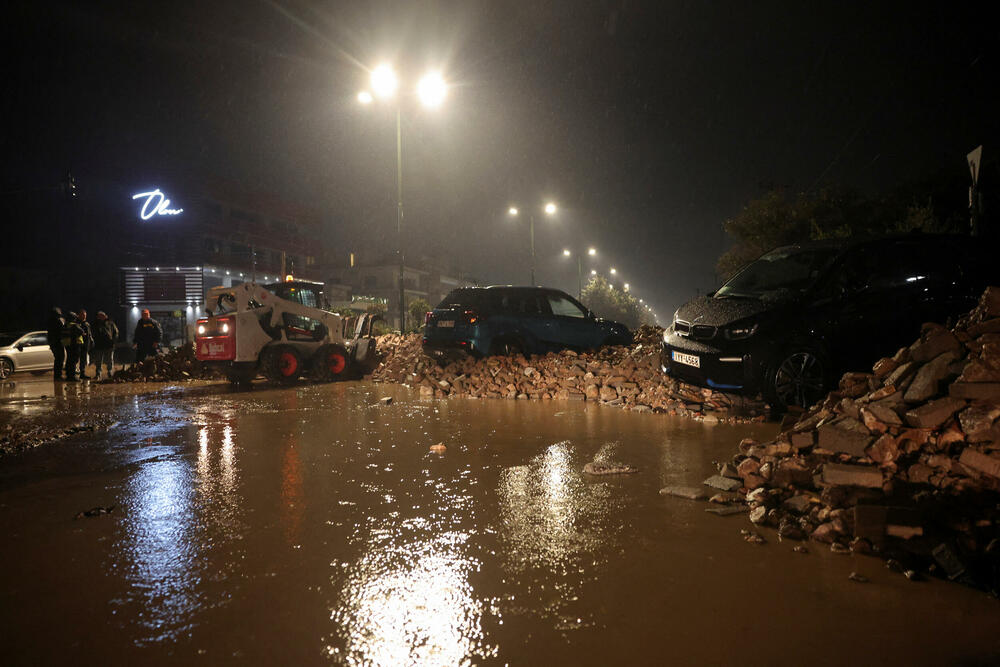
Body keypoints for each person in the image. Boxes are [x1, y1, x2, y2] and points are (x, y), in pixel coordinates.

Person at [91, 311, 119, 380]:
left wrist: (113, 341)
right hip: (99, 345)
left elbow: (116, 332)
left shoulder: (110, 323)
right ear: (97, 317)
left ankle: (109, 372)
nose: (101, 317)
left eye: (103, 315)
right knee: (98, 360)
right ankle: (98, 373)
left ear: (105, 316)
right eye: (99, 316)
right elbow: (92, 333)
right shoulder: (95, 324)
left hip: (109, 345)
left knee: (109, 359)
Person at [61, 312, 85, 382]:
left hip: (67, 345)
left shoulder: (65, 325)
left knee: (69, 360)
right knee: (74, 360)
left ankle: (68, 375)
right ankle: (72, 376)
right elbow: (81, 331)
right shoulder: (74, 325)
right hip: (74, 344)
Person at [46, 307, 66, 381]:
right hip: (57, 343)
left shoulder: (50, 321)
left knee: (58, 359)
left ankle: (57, 376)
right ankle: (58, 376)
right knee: (59, 359)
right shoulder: (56, 321)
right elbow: (61, 330)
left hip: (54, 343)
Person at [77, 308, 93, 378]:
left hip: (86, 344)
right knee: (77, 360)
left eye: (85, 315)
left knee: (83, 360)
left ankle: (82, 373)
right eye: (82, 315)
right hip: (79, 344)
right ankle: (75, 373)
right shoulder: (77, 324)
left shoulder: (87, 324)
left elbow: (89, 334)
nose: (84, 316)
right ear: (79, 315)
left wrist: (91, 340)